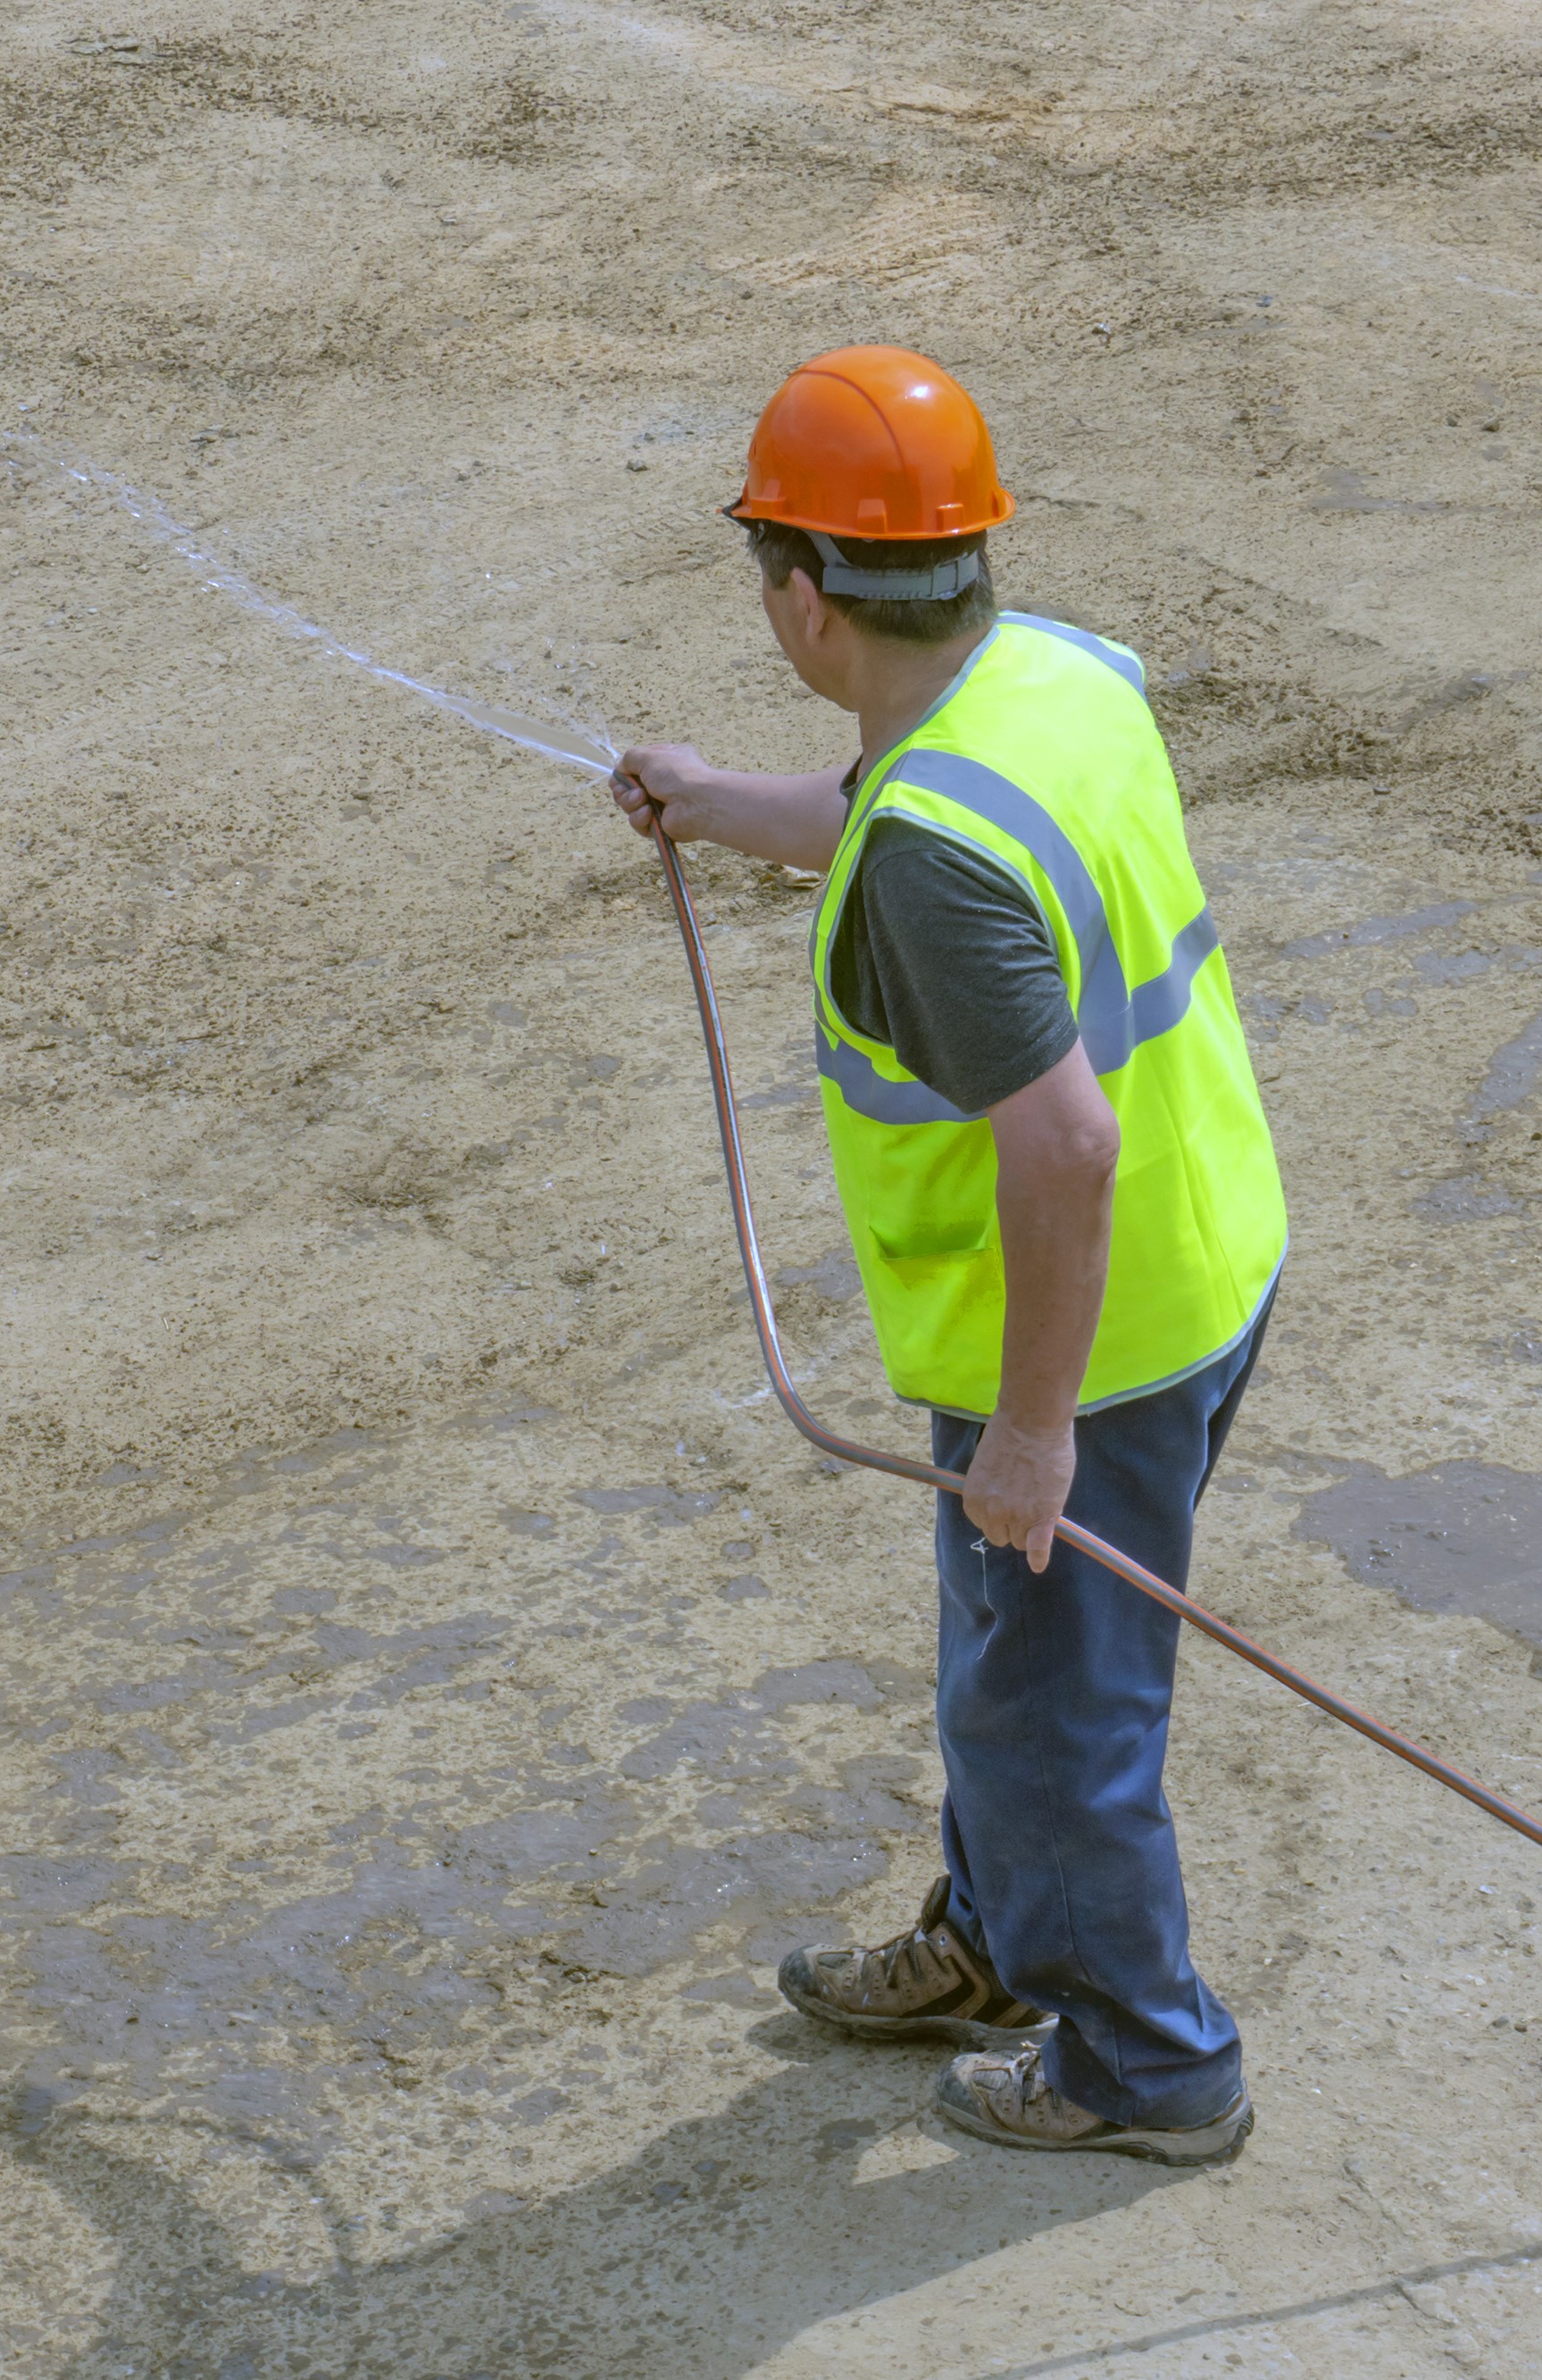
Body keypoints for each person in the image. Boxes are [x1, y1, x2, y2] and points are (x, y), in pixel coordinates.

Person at [609, 346, 1287, 2166]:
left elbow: (1058, 1134)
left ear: (803, 601)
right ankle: (999, 1943)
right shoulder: (1053, 672)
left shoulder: (932, 854)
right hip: (1208, 1256)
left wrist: (1037, 1432)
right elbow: (914, 814)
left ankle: (1147, 2068)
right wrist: (720, 798)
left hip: (1089, 1343)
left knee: (1053, 1720)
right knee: (1022, 1679)